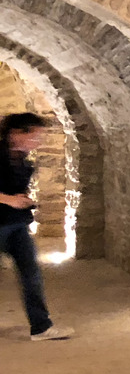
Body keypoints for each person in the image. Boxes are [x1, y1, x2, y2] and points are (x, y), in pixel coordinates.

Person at [0, 112, 73, 340]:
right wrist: (9, 199)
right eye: (34, 136)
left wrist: (23, 198)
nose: (37, 143)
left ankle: (41, 327)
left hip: (16, 224)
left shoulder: (22, 160)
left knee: (31, 274)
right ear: (16, 134)